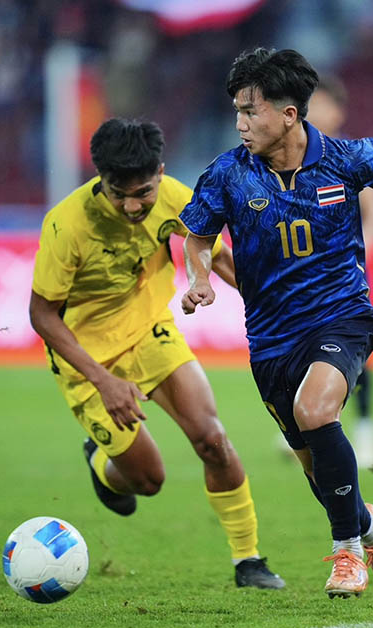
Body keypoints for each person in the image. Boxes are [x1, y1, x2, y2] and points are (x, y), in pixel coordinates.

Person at [180, 48, 373, 599]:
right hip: (271, 340)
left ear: (289, 114)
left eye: (251, 111)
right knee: (318, 468)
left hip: (342, 315)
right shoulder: (226, 174)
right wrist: (199, 276)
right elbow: (197, 236)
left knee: (314, 410)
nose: (240, 124)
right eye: (236, 112)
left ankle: (347, 557)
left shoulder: (347, 158)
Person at [29, 117, 284, 590]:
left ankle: (248, 559)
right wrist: (103, 382)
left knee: (212, 438)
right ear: (99, 178)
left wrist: (268, 301)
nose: (131, 204)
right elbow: (42, 316)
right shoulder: (67, 225)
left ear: (161, 173)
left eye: (142, 192)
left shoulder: (172, 195)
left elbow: (216, 251)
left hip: (150, 331)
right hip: (87, 359)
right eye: (117, 192)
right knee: (147, 482)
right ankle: (102, 467)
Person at [291, 74, 373, 472]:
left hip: (346, 274)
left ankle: (366, 431)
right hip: (302, 276)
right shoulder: (290, 159)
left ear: (340, 111)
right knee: (298, 348)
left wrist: (358, 257)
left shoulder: (349, 156)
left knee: (355, 353)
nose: (318, 114)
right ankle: (303, 425)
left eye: (325, 105)